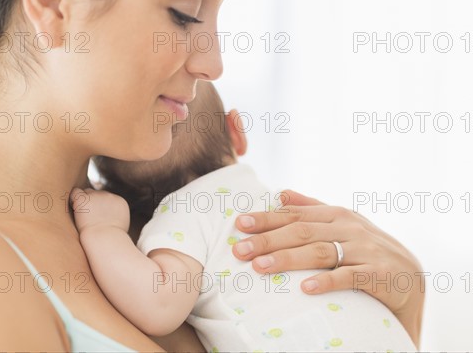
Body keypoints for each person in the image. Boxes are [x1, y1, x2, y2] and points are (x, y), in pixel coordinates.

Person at [0, 0, 424, 351]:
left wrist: (401, 310)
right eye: (185, 13)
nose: (213, 64)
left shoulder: (159, 230)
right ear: (53, 3)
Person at [73, 81, 418, 352]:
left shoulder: (181, 214)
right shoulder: (276, 205)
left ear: (119, 191)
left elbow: (160, 304)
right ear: (236, 131)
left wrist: (104, 230)